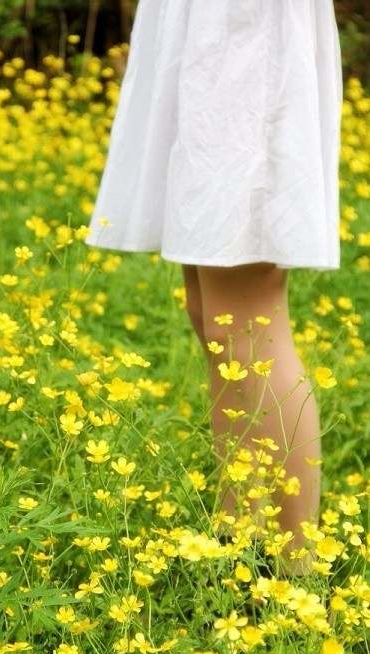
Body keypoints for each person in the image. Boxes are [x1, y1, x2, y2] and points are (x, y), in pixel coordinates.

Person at [85, 0, 344, 574]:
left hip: (244, 33)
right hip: (207, 31)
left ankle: (292, 578)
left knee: (248, 325)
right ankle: (239, 544)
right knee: (213, 317)